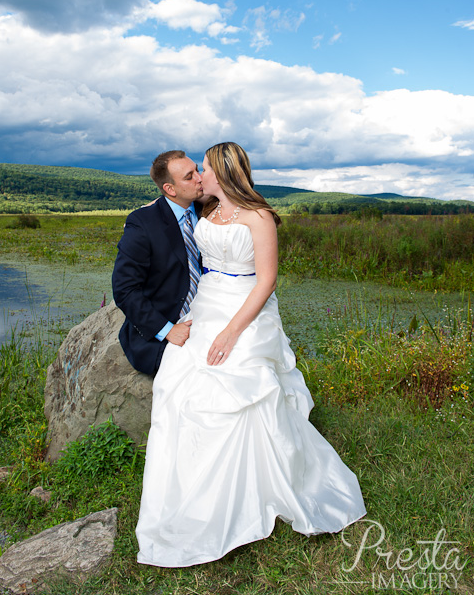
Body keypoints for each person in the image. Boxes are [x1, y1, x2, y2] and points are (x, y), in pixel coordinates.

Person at [136, 142, 366, 567]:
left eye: (203, 168)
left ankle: (256, 488)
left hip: (244, 307)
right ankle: (185, 491)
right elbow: (176, 224)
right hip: (207, 303)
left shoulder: (260, 218)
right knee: (180, 385)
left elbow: (266, 282)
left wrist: (230, 332)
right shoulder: (206, 210)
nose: (199, 175)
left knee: (244, 389)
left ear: (223, 171)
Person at [112, 150, 203, 375]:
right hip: (165, 324)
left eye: (198, 170)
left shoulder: (209, 209)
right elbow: (124, 289)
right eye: (189, 176)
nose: (200, 178)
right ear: (169, 189)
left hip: (211, 315)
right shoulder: (142, 223)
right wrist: (167, 330)